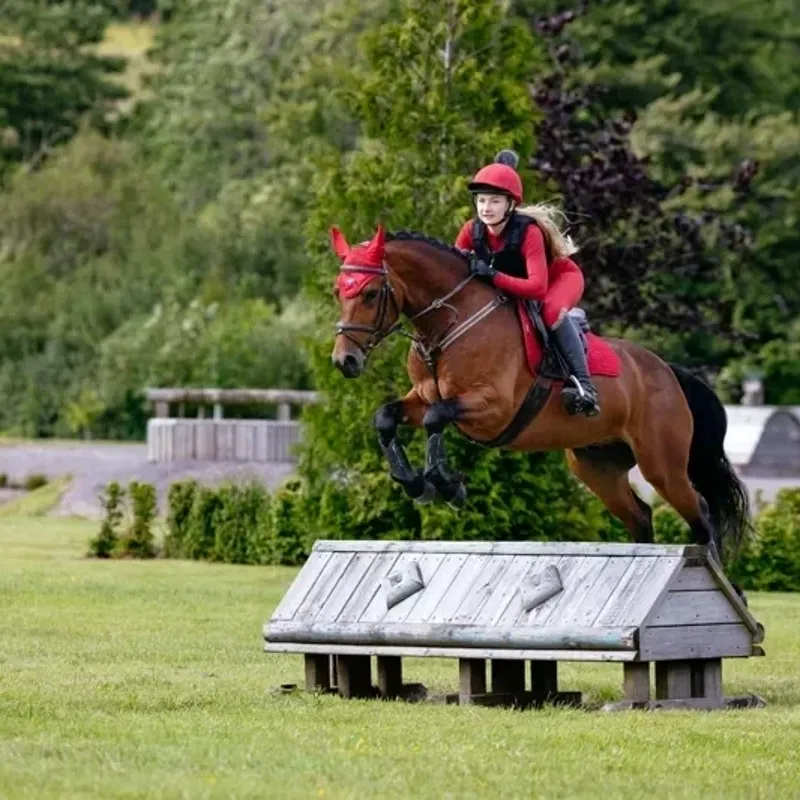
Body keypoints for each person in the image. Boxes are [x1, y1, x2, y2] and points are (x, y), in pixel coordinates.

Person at [454, 149, 600, 417]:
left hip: (558, 280)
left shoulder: (529, 232)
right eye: (481, 200)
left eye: (495, 201)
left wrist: (492, 275)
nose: (486, 208)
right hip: (518, 285)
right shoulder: (471, 230)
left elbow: (536, 288)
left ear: (510, 204)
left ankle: (585, 386)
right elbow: (456, 274)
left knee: (550, 312)